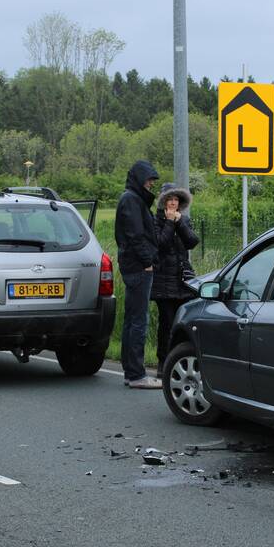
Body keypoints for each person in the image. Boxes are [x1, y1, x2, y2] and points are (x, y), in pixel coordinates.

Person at [114, 160, 162, 389]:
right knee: (139, 321)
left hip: (133, 266)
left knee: (132, 320)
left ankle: (130, 372)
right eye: (150, 179)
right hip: (138, 267)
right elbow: (135, 235)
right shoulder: (132, 200)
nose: (152, 184)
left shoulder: (131, 199)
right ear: (140, 179)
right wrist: (147, 262)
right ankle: (136, 374)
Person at [152, 184, 200, 376]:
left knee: (185, 323)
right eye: (169, 199)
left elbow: (192, 242)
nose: (173, 203)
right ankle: (163, 362)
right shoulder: (155, 221)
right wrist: (170, 222)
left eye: (176, 200)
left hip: (183, 281)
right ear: (163, 201)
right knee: (167, 323)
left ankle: (182, 360)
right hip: (163, 281)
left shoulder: (184, 219)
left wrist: (179, 223)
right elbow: (160, 244)